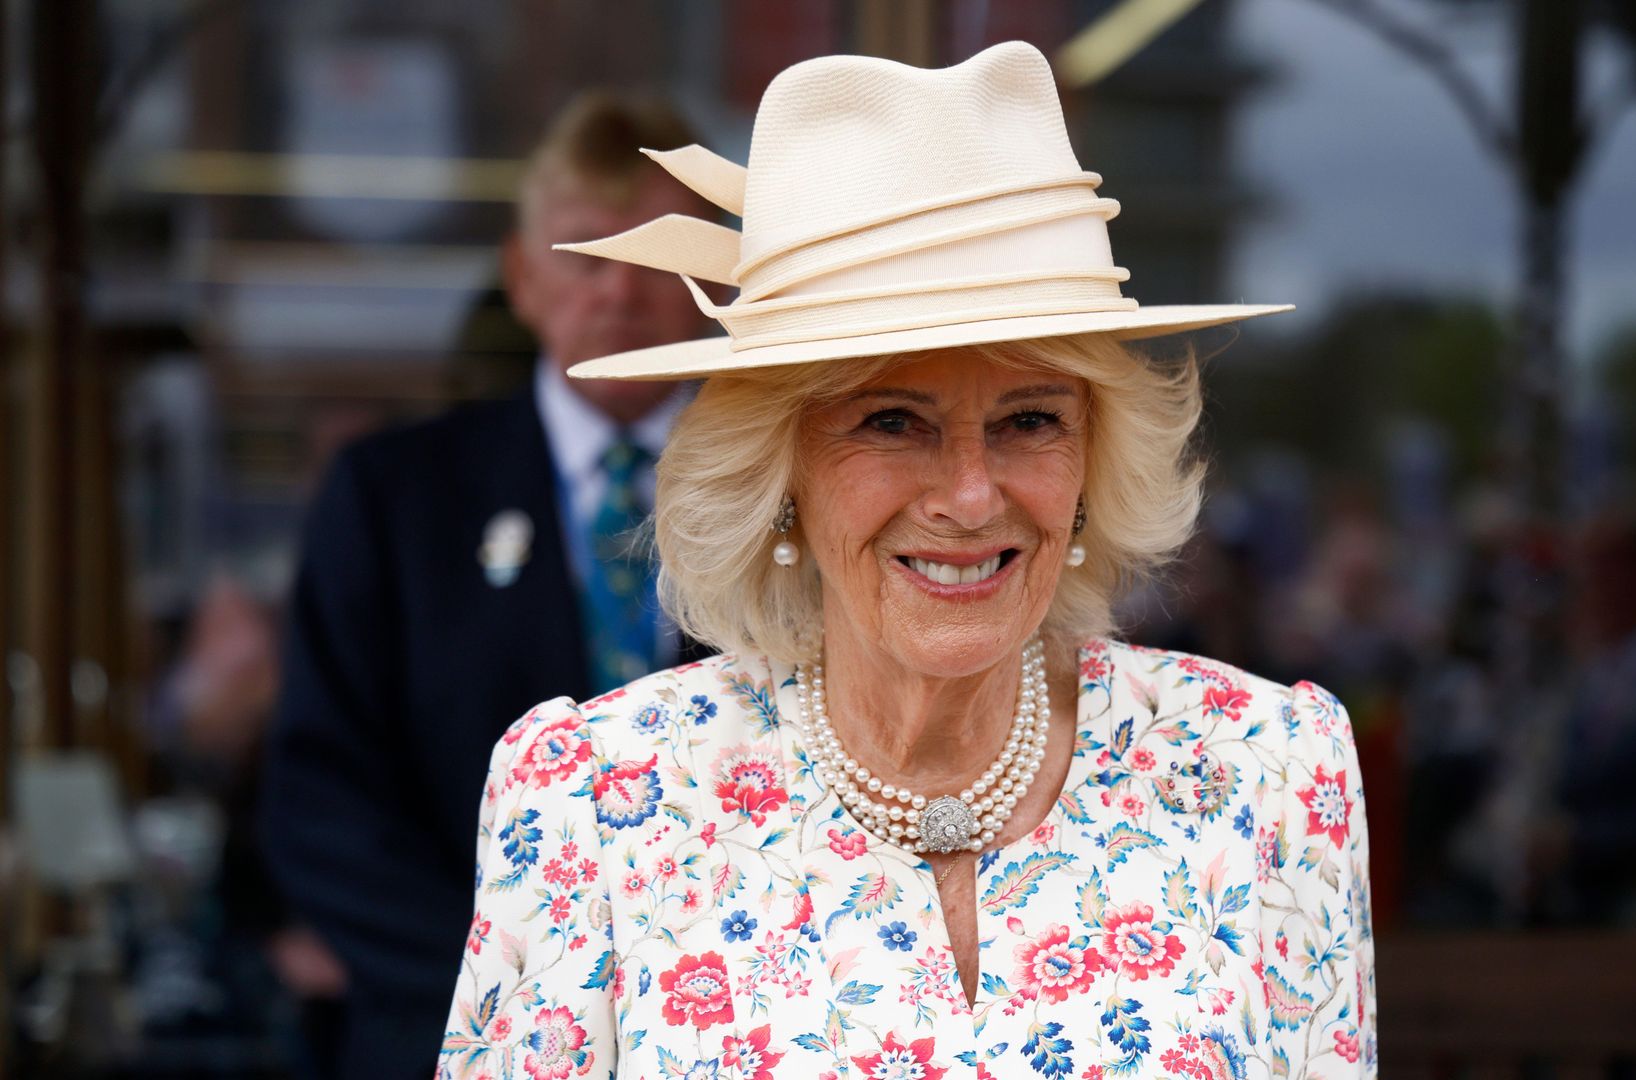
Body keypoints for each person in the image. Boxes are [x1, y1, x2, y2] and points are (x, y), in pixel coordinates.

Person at [438, 42, 1377, 1078]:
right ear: (780, 470)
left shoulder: (1268, 770)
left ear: (1094, 463)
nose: (972, 496)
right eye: (891, 421)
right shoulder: (591, 797)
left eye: (1029, 419)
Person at [260, 93, 710, 1078]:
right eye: (585, 254)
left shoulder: (804, 491)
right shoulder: (393, 496)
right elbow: (318, 797)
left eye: (654, 255)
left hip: (729, 1020)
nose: (619, 291)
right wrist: (521, 983)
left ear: (717, 279)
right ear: (521, 276)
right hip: (450, 1028)